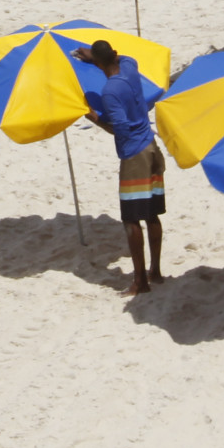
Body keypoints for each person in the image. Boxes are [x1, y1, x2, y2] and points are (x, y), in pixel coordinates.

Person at [72, 39, 165, 295]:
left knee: (131, 218)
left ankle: (140, 282)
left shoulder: (110, 92)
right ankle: (155, 272)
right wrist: (95, 57)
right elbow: (125, 58)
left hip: (135, 154)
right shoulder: (130, 67)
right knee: (152, 214)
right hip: (151, 145)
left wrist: (96, 119)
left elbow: (120, 130)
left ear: (100, 63)